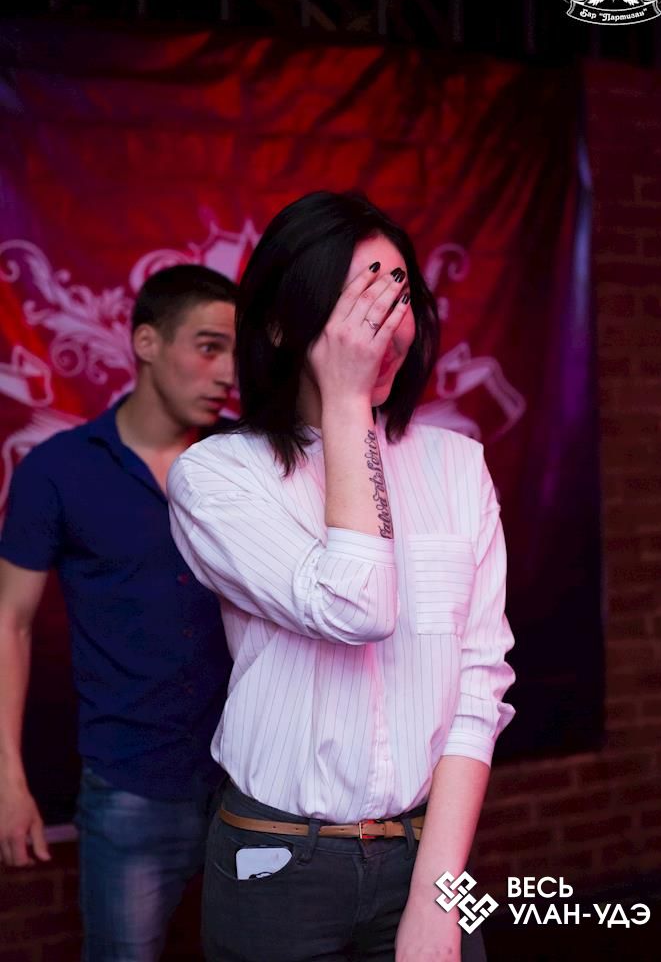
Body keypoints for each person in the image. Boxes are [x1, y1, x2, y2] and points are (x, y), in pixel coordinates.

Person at [167, 192, 516, 962]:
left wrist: (437, 896)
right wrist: (348, 401)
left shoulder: (457, 465)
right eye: (355, 300)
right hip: (278, 862)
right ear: (279, 324)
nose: (381, 324)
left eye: (396, 294)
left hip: (430, 853)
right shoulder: (218, 475)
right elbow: (356, 606)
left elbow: (478, 686)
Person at [0, 264, 237, 962]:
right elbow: (10, 623)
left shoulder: (246, 458)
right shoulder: (59, 469)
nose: (228, 373)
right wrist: (8, 780)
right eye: (209, 347)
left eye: (236, 351)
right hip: (130, 789)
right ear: (146, 342)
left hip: (250, 789)